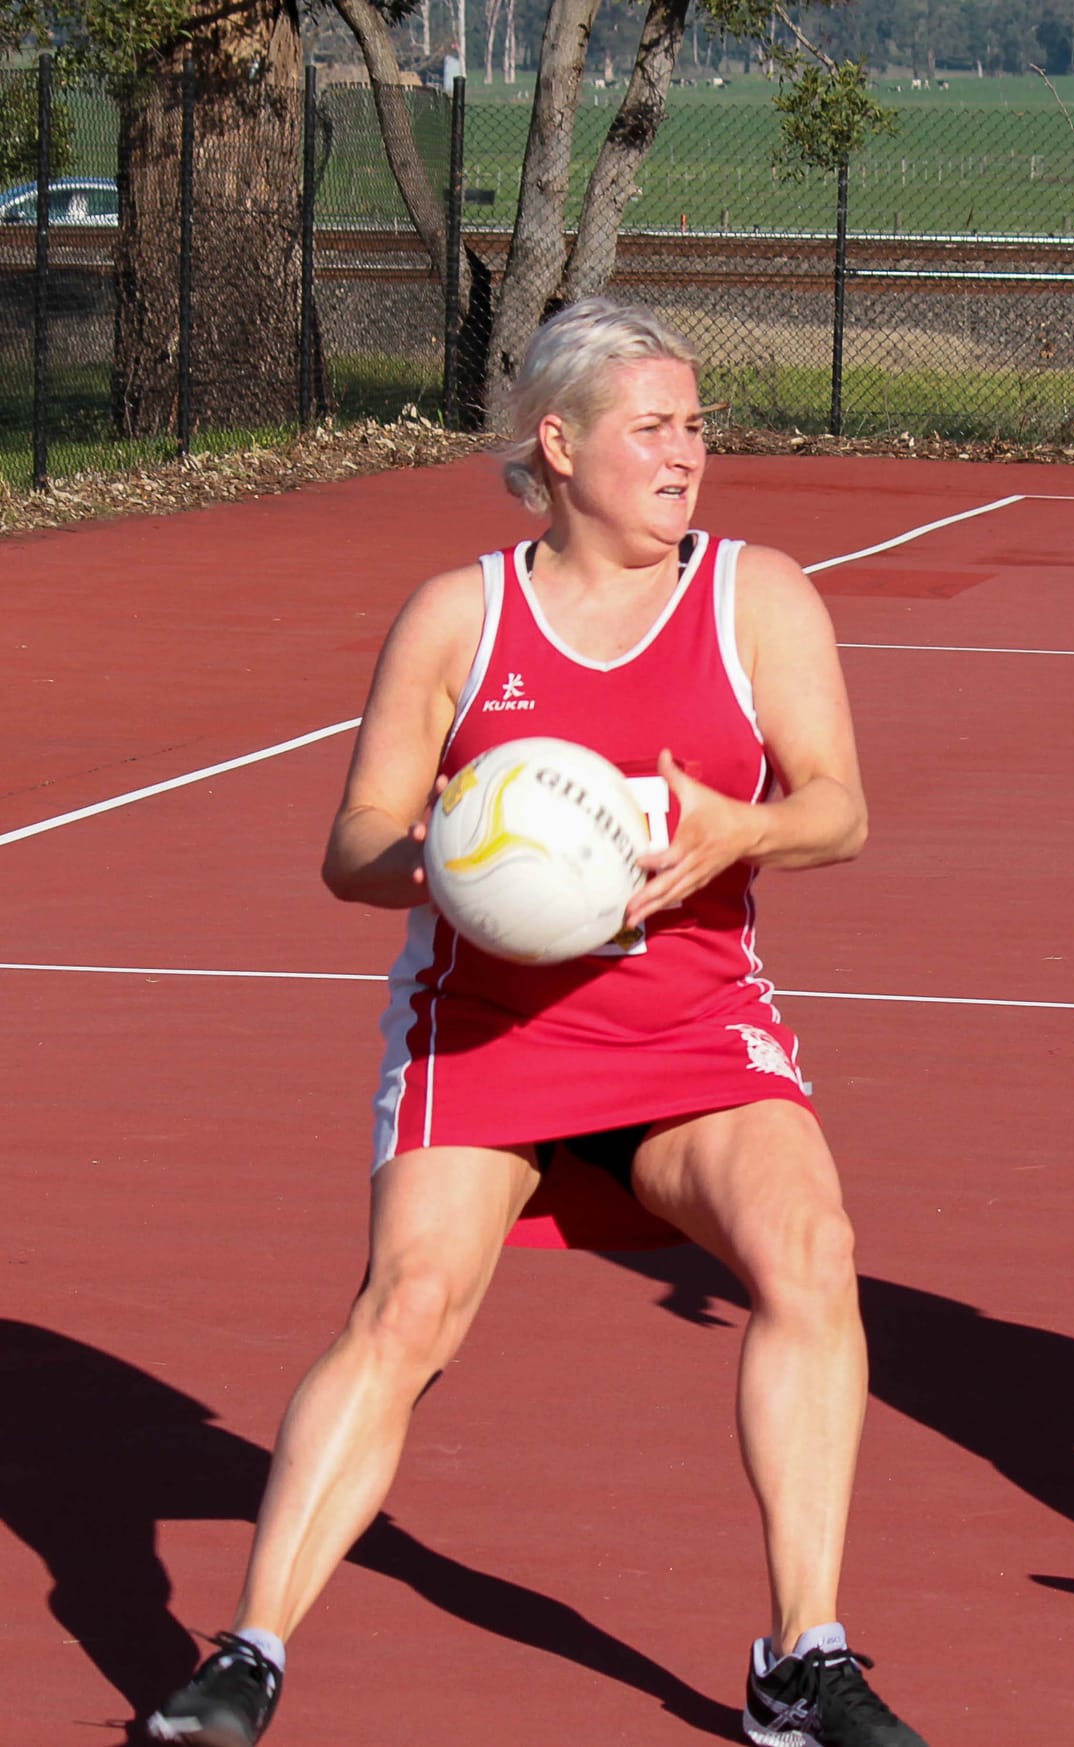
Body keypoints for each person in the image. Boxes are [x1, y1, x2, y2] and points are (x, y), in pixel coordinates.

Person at [145, 298, 928, 1747]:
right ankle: (246, 1657)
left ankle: (801, 1656)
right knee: (407, 1309)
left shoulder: (755, 595)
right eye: (654, 427)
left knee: (811, 1255)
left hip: (691, 1022)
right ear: (559, 445)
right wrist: (454, 860)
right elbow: (354, 846)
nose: (687, 453)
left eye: (696, 426)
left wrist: (738, 828)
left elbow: (840, 809)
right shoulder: (460, 616)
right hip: (489, 1028)